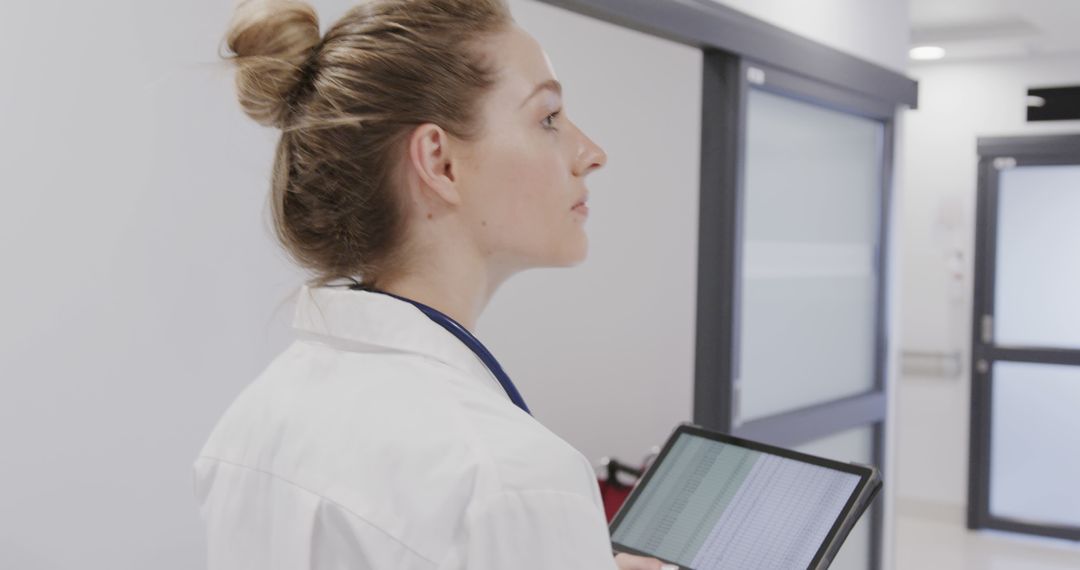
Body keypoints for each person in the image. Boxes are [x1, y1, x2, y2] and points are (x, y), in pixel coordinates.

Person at [192, 0, 673, 568]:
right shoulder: (506, 478)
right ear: (440, 163)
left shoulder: (251, 422)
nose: (591, 153)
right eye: (548, 117)